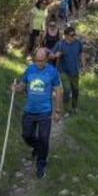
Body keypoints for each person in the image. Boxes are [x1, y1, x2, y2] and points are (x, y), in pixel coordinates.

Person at [12, 47, 63, 179]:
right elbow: (22, 86)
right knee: (26, 135)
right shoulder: (30, 69)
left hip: (45, 111)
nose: (39, 63)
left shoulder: (52, 71)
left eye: (41, 61)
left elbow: (58, 91)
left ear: (46, 59)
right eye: (37, 60)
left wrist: (57, 110)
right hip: (29, 110)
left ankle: (41, 165)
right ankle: (37, 147)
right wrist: (16, 88)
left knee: (44, 139)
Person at [52, 26, 85, 117]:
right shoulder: (60, 44)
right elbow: (51, 54)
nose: (73, 37)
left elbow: (82, 53)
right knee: (67, 90)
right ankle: (67, 109)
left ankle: (74, 107)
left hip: (74, 71)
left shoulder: (78, 43)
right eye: (71, 35)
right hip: (63, 70)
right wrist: (56, 55)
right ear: (66, 36)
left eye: (74, 35)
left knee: (76, 90)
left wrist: (83, 65)